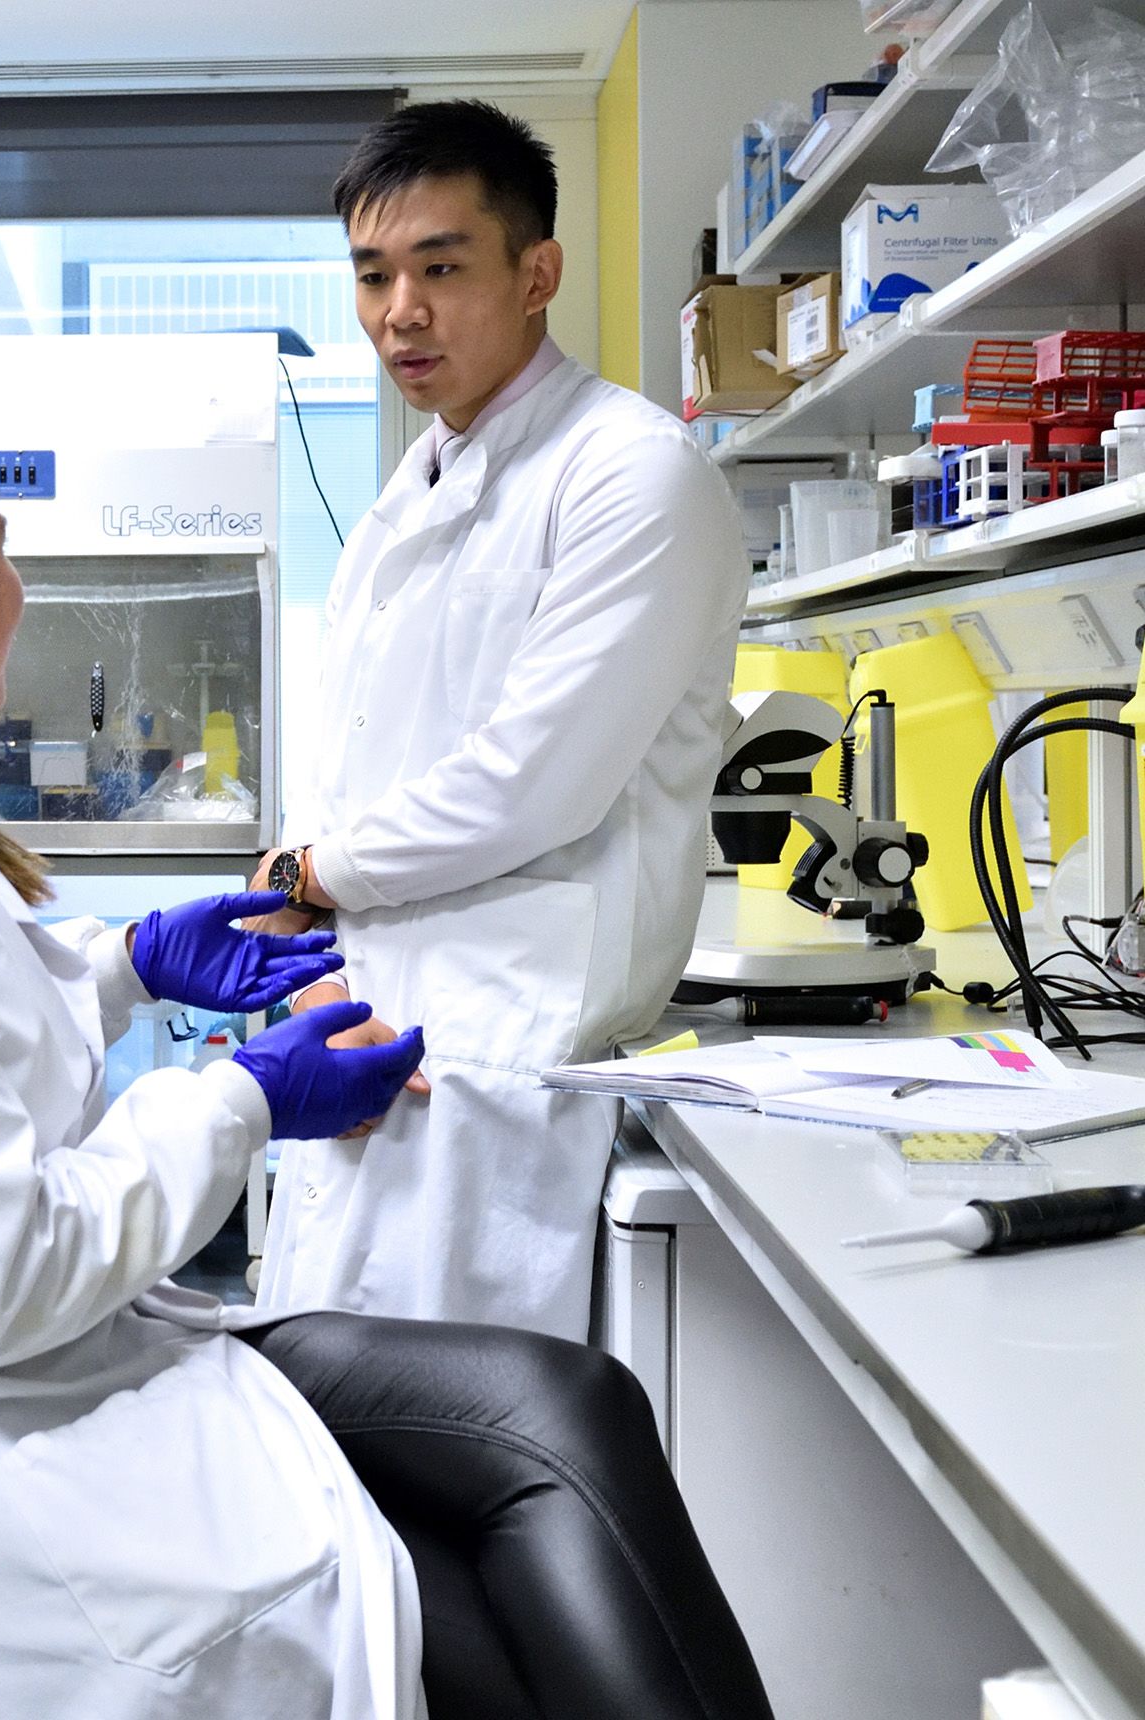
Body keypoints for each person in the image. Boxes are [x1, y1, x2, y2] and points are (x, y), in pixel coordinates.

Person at [0, 384, 770, 1718]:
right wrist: (243, 1097)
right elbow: (0, 1272)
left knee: (567, 1411)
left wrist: (125, 967)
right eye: (0, 548)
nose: (16, 580)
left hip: (23, 1388)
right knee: (468, 1602)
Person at [249, 100, 748, 1338]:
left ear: (538, 273)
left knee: (471, 1467)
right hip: (360, 1051)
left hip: (502, 1078)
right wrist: (307, 981)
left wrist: (309, 873)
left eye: (439, 266)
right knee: (330, 1457)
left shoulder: (632, 474)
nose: (397, 312)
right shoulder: (394, 510)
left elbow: (533, 782)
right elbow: (336, 767)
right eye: (371, 276)